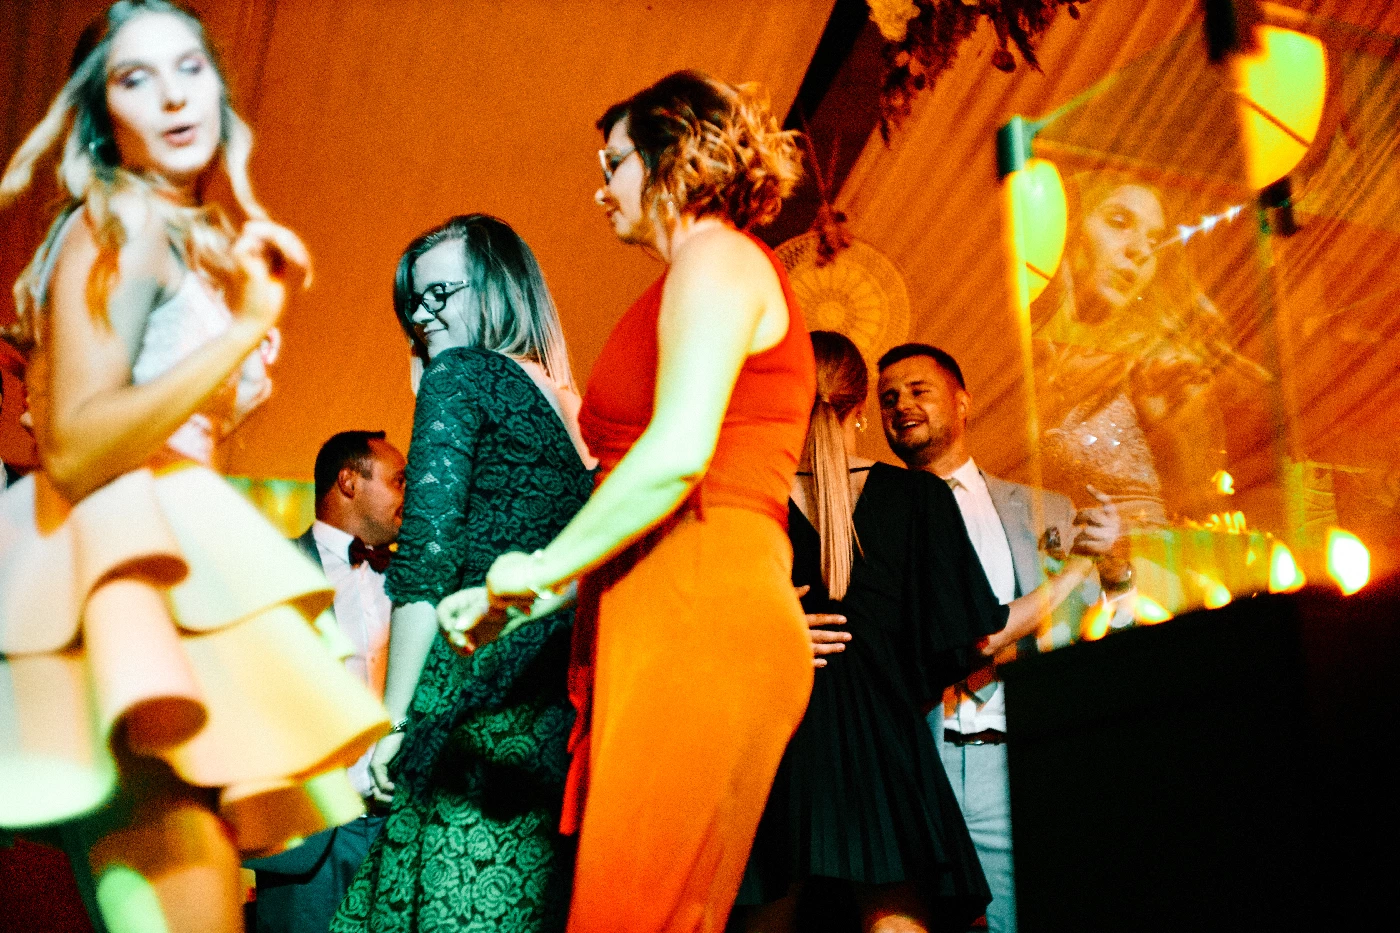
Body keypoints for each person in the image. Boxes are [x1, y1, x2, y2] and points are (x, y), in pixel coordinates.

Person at [0, 3, 388, 932]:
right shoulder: (124, 223)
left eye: (189, 69)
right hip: (129, 582)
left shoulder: (162, 230)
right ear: (102, 115)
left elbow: (140, 423)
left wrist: (225, 391)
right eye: (136, 79)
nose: (174, 98)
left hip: (161, 567)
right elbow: (76, 443)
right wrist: (244, 330)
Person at [460, 70, 814, 933]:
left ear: (673, 157)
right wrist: (527, 597)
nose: (600, 187)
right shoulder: (687, 277)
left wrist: (543, 564)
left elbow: (679, 453)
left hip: (702, 593)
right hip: (663, 593)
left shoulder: (719, 258)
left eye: (614, 163)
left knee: (637, 913)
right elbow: (638, 485)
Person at [330, 214, 595, 933]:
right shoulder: (573, 408)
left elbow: (425, 560)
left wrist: (394, 721)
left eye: (440, 294)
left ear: (500, 289)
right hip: (556, 708)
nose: (422, 315)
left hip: (475, 700)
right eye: (413, 303)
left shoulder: (461, 376)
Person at [732, 331, 1001, 933]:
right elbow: (959, 645)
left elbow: (698, 628)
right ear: (860, 409)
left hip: (777, 746)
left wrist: (771, 634)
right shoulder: (919, 498)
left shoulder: (748, 501)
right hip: (886, 750)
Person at [876, 343, 1121, 933]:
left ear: (963, 402)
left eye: (918, 391)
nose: (901, 405)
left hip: (1016, 754)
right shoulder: (872, 518)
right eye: (888, 399)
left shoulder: (1045, 510)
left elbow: (1102, 630)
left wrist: (1113, 570)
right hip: (920, 761)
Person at [248, 431, 406, 933]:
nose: (411, 494)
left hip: (399, 831)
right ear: (349, 482)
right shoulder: (268, 569)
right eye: (399, 481)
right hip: (309, 835)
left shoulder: (418, 578)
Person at [1029, 172, 1241, 529]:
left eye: (1154, 240)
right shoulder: (1020, 346)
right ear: (1069, 226)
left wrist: (1166, 427)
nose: (1141, 251)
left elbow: (1204, 504)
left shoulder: (1161, 366)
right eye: (1119, 222)